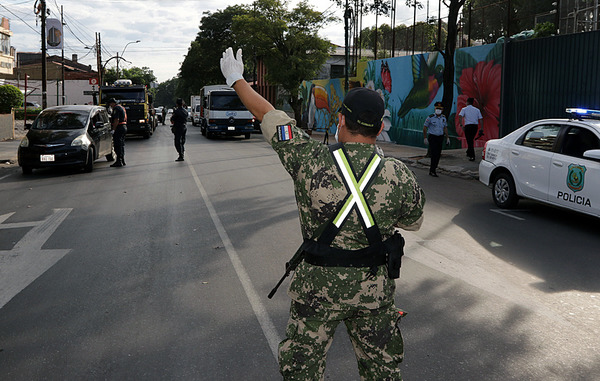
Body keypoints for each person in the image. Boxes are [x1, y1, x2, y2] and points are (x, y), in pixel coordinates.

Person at [220, 47, 425, 380]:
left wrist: (237, 79)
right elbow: (412, 221)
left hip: (318, 290)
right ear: (379, 126)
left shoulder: (308, 157)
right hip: (373, 291)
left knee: (302, 369)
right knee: (382, 371)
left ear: (340, 119)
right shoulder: (396, 172)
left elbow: (269, 115)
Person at [423, 101, 449, 177]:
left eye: (440, 109)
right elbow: (425, 127)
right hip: (433, 137)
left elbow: (445, 128)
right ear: (434, 109)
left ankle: (434, 168)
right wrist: (425, 137)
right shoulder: (430, 117)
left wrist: (447, 137)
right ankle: (432, 170)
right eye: (437, 108)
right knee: (434, 154)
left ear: (442, 110)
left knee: (438, 154)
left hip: (440, 137)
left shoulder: (443, 118)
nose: (438, 110)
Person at [107, 98, 127, 167]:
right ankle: (122, 160)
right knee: (121, 144)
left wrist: (113, 130)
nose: (110, 106)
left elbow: (116, 120)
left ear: (113, 103)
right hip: (123, 126)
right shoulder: (121, 107)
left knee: (117, 145)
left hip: (119, 127)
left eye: (110, 104)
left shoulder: (116, 109)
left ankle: (119, 161)